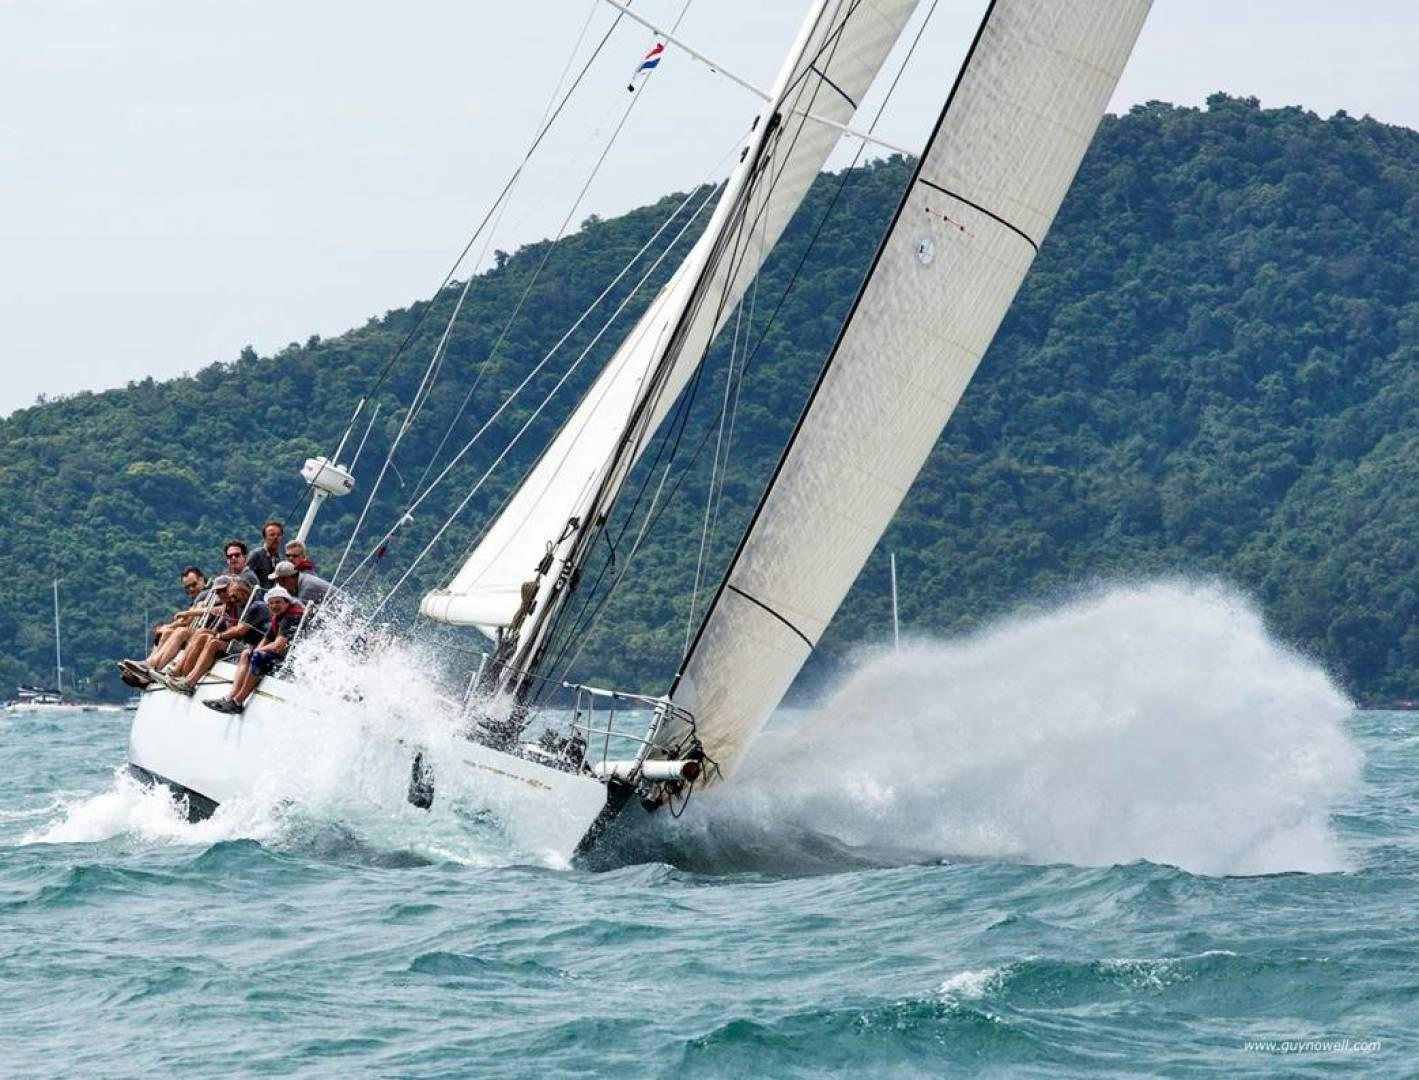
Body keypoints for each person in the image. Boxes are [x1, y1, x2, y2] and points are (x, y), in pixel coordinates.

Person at [120, 573, 229, 687]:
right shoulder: (202, 597)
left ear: (202, 580)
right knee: (168, 632)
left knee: (181, 632)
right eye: (187, 588)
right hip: (200, 631)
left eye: (193, 584)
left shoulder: (205, 595)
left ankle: (151, 670)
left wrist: (181, 618)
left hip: (208, 633)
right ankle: (148, 665)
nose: (191, 589)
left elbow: (192, 618)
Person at [205, 586, 303, 713]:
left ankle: (237, 702)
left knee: (258, 656)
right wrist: (255, 650)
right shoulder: (278, 618)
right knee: (246, 653)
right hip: (280, 657)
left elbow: (278, 645)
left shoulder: (290, 617)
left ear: (287, 602)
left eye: (278, 602)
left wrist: (257, 651)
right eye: (271, 603)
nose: (274, 606)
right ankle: (229, 697)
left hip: (291, 663)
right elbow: (266, 639)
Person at [162, 578, 269, 694]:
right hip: (240, 643)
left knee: (213, 642)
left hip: (250, 647)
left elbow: (239, 631)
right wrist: (189, 613)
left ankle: (190, 682)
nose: (232, 599)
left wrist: (218, 635)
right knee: (202, 633)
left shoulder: (256, 606)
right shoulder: (240, 604)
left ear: (244, 593)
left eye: (234, 596)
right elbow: (213, 610)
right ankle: (181, 673)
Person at [247, 520, 284, 590]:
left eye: (278, 535)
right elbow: (246, 576)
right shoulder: (256, 555)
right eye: (272, 535)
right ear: (265, 537)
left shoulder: (279, 558)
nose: (276, 538)